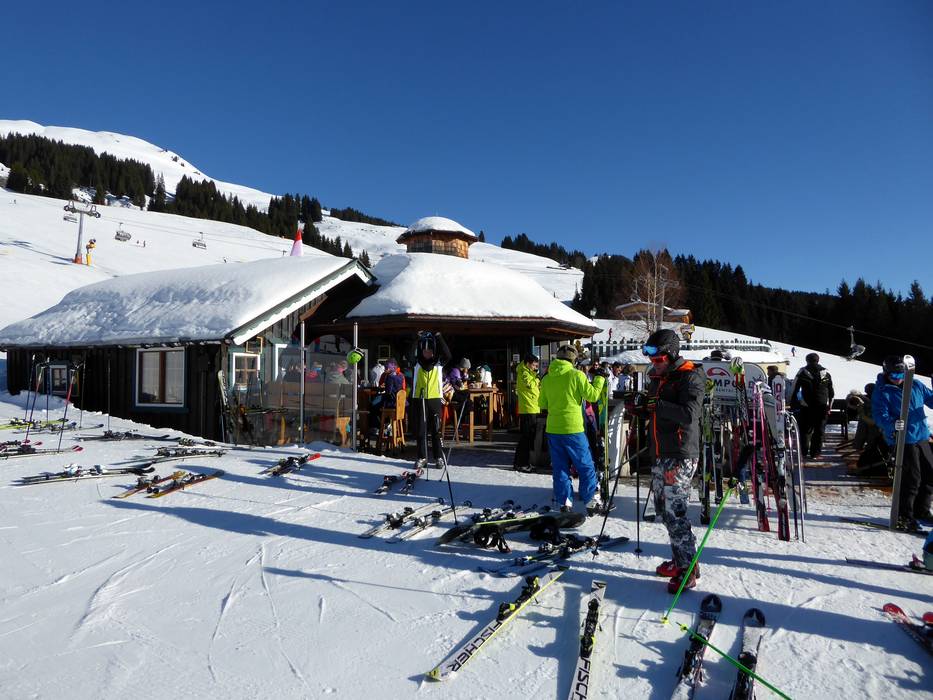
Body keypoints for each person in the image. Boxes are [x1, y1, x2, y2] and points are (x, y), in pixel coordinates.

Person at [626, 328, 704, 593]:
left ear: (671, 354)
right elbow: (656, 409)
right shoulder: (659, 377)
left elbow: (689, 414)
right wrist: (641, 408)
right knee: (664, 509)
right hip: (661, 452)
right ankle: (682, 559)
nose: (653, 362)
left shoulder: (690, 376)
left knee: (675, 512)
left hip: (680, 454)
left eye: (658, 358)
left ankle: (687, 569)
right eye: (651, 358)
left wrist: (654, 404)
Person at [538, 345, 607, 515]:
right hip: (573, 429)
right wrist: (599, 378)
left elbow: (542, 404)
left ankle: (565, 503)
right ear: (574, 360)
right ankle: (590, 501)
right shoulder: (577, 375)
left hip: (553, 429)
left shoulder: (547, 378)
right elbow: (593, 396)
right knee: (585, 466)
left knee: (560, 468)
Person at [871, 355, 933, 531]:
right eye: (894, 376)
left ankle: (921, 510)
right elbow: (878, 415)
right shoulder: (882, 391)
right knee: (911, 479)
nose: (898, 379)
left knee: (930, 474)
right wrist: (892, 424)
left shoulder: (916, 385)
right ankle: (904, 516)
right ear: (886, 373)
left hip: (921, 435)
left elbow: (931, 400)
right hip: (902, 440)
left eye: (901, 375)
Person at [411, 332, 452, 471]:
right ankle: (421, 457)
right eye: (425, 351)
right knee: (421, 431)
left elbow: (448, 355)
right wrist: (417, 339)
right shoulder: (417, 363)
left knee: (436, 430)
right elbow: (409, 355)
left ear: (433, 352)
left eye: (429, 351)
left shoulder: (438, 363)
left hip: (434, 399)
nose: (427, 353)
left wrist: (439, 338)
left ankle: (438, 457)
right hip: (420, 398)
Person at [790, 352, 834, 459]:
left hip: (806, 406)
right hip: (822, 406)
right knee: (819, 431)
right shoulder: (826, 373)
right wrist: (829, 406)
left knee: (805, 430)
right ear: (818, 360)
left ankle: (804, 452)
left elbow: (794, 389)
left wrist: (793, 403)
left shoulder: (802, 372)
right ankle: (815, 453)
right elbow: (832, 392)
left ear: (807, 361)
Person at [513, 353, 541, 473]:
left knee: (529, 437)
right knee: (526, 437)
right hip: (528, 408)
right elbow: (530, 385)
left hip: (532, 407)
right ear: (528, 363)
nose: (535, 367)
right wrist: (538, 379)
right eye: (534, 365)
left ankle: (524, 462)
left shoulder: (528, 372)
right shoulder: (524, 372)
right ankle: (521, 463)